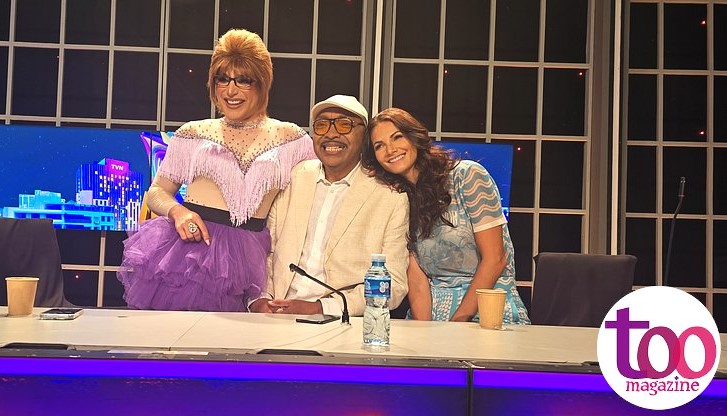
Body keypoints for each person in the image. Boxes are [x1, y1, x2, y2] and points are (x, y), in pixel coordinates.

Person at [117, 29, 316, 311]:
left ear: (262, 83)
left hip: (256, 261)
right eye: (223, 79)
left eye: (243, 80)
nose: (230, 91)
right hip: (192, 258)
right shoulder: (193, 134)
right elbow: (157, 191)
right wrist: (179, 213)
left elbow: (323, 184)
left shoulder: (293, 140)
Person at [363, 108, 530, 324]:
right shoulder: (398, 200)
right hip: (431, 316)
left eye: (397, 137)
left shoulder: (467, 176)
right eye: (379, 146)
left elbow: (495, 259)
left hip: (488, 308)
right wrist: (425, 333)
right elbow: (417, 280)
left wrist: (458, 323)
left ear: (414, 137)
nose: (390, 150)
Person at [249, 95, 409, 317]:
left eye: (344, 125)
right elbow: (267, 251)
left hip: (341, 322)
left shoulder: (390, 196)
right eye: (322, 125)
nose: (331, 134)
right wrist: (260, 299)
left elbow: (394, 285)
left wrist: (322, 307)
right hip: (276, 315)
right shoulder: (293, 177)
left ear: (364, 136)